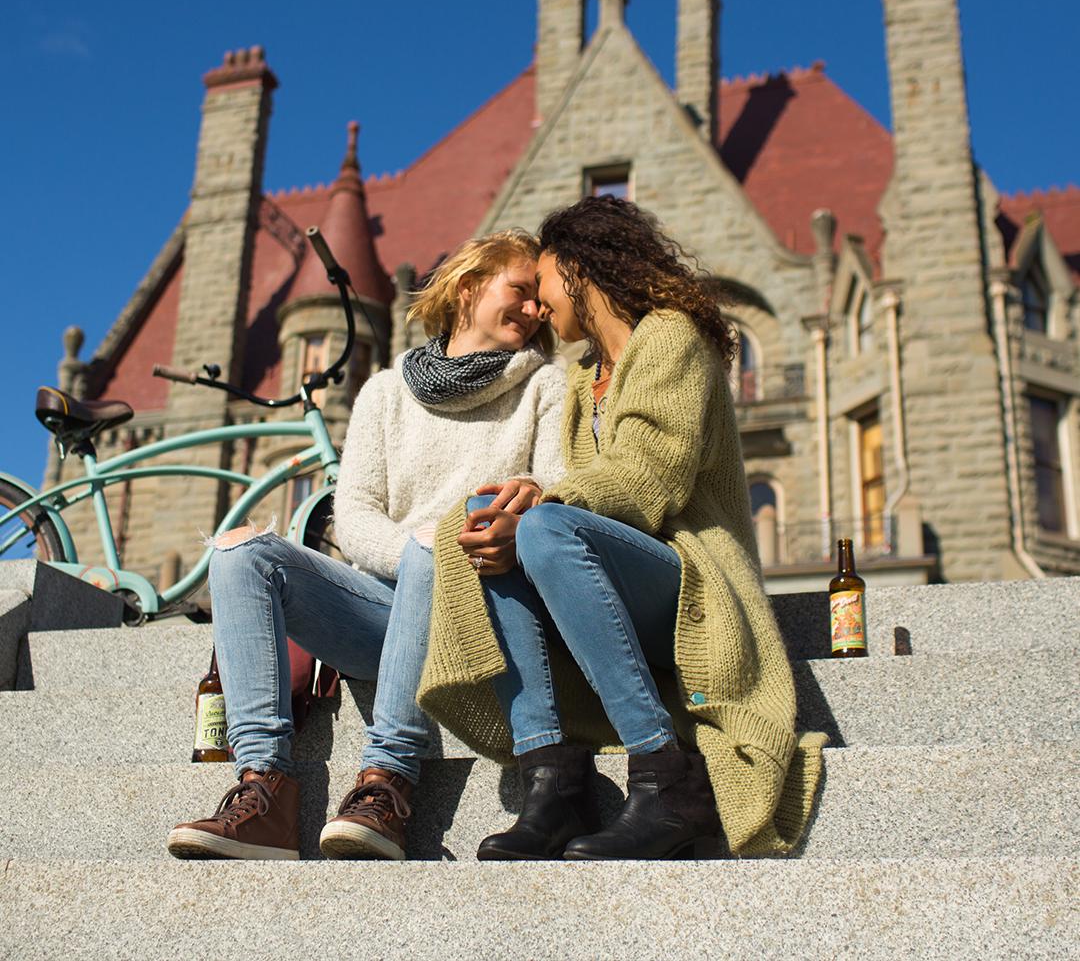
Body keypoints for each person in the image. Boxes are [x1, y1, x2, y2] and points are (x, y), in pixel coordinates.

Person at [417, 197, 825, 860]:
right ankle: (550, 779)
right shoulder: (582, 379)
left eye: (544, 282)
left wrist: (543, 500)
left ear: (581, 269)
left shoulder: (670, 337)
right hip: (616, 583)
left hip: (693, 579)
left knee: (544, 528)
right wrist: (509, 512)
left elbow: (649, 478)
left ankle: (666, 773)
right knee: (478, 527)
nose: (540, 306)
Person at [166, 228, 565, 862]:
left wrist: (452, 542)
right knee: (241, 552)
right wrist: (416, 553)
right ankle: (263, 787)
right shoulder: (384, 392)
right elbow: (352, 518)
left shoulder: (547, 385)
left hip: (483, 606)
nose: (536, 310)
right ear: (468, 288)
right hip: (383, 603)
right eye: (521, 290)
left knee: (440, 547)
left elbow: (552, 489)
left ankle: (387, 784)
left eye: (541, 302)